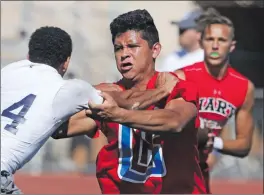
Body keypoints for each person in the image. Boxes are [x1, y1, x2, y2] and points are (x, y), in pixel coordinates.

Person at [53, 9, 206, 194]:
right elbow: (61, 127)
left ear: (155, 50)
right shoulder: (106, 94)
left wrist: (119, 115)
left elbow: (174, 121)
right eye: (118, 48)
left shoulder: (175, 86)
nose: (124, 54)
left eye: (132, 46)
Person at [0, 26, 104, 194]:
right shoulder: (69, 89)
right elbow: (109, 105)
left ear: (28, 55)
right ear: (66, 62)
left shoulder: (7, 71)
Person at [174, 8, 255, 193]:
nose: (215, 46)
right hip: (168, 169)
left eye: (222, 40)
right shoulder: (182, 77)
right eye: (210, 40)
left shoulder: (244, 87)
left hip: (200, 173)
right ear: (201, 43)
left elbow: (244, 145)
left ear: (232, 45)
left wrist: (213, 142)